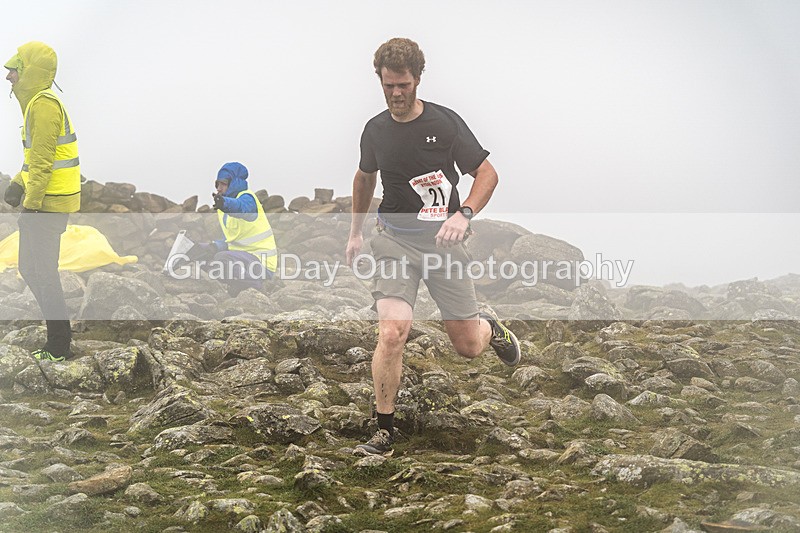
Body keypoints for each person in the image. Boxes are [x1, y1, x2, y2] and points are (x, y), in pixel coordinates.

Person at [345, 38, 522, 455]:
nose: (396, 94)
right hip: (393, 242)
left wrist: (464, 215)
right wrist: (354, 232)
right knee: (392, 331)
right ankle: (384, 429)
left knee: (467, 346)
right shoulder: (375, 129)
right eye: (388, 86)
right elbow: (364, 177)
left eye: (403, 85)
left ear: (418, 80)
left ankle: (491, 328)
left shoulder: (444, 124)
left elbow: (486, 173)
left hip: (445, 244)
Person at [4, 42, 80, 362]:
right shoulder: (35, 105)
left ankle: (59, 344)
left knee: (43, 272)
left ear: (29, 71)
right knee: (29, 268)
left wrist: (31, 205)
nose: (8, 77)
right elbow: (33, 159)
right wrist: (16, 185)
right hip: (43, 201)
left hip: (49, 205)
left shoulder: (44, 105)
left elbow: (45, 162)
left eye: (13, 70)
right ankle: (59, 334)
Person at [188, 162, 277, 296]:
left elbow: (241, 207)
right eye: (216, 184)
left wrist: (225, 203)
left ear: (233, 183)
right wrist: (211, 247)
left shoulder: (248, 199)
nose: (218, 188)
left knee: (222, 259)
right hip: (242, 258)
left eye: (222, 184)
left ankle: (254, 286)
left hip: (261, 261)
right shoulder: (223, 210)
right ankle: (238, 286)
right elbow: (231, 239)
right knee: (205, 259)